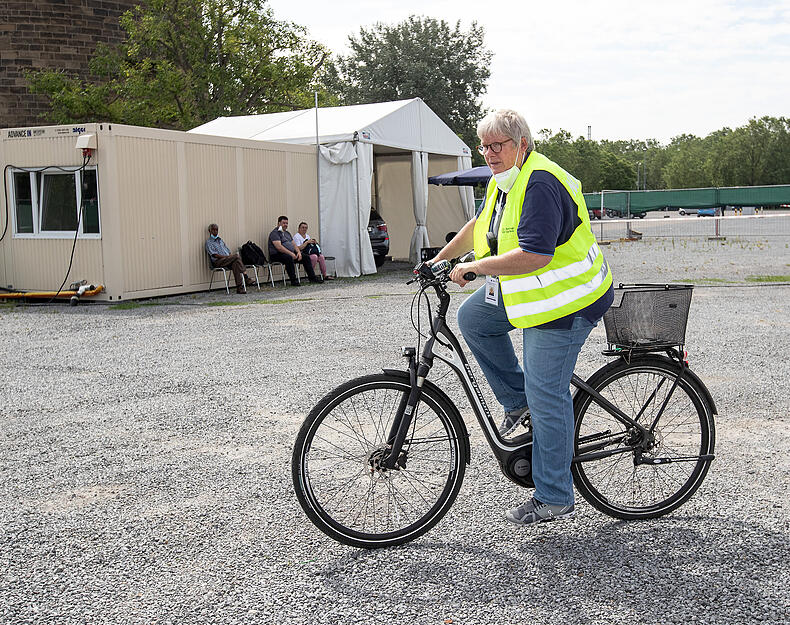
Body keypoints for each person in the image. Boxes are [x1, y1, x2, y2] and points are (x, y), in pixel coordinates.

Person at [430, 109, 614, 527]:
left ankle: (554, 495)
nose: (489, 153)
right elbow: (480, 224)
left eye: (498, 145)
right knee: (474, 318)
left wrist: (478, 268)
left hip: (569, 299)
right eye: (484, 145)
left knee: (547, 389)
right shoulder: (505, 179)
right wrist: (440, 259)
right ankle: (519, 403)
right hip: (534, 293)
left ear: (522, 145)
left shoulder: (541, 182)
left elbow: (535, 254)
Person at [268, 215, 322, 286]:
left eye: (286, 223)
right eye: (283, 223)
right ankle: (293, 280)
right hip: (277, 254)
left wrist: (299, 252)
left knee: (305, 257)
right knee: (289, 258)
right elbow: (279, 247)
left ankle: (312, 278)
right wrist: (291, 253)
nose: (285, 225)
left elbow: (294, 245)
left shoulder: (287, 233)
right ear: (278, 223)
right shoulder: (275, 233)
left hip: (290, 253)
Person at [205, 223, 255, 294]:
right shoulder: (209, 242)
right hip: (218, 262)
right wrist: (229, 257)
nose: (215, 231)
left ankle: (239, 288)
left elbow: (228, 251)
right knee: (236, 256)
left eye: (216, 230)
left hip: (227, 260)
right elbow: (214, 255)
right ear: (209, 231)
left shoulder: (221, 240)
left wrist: (230, 257)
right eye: (213, 230)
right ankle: (246, 277)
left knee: (236, 264)